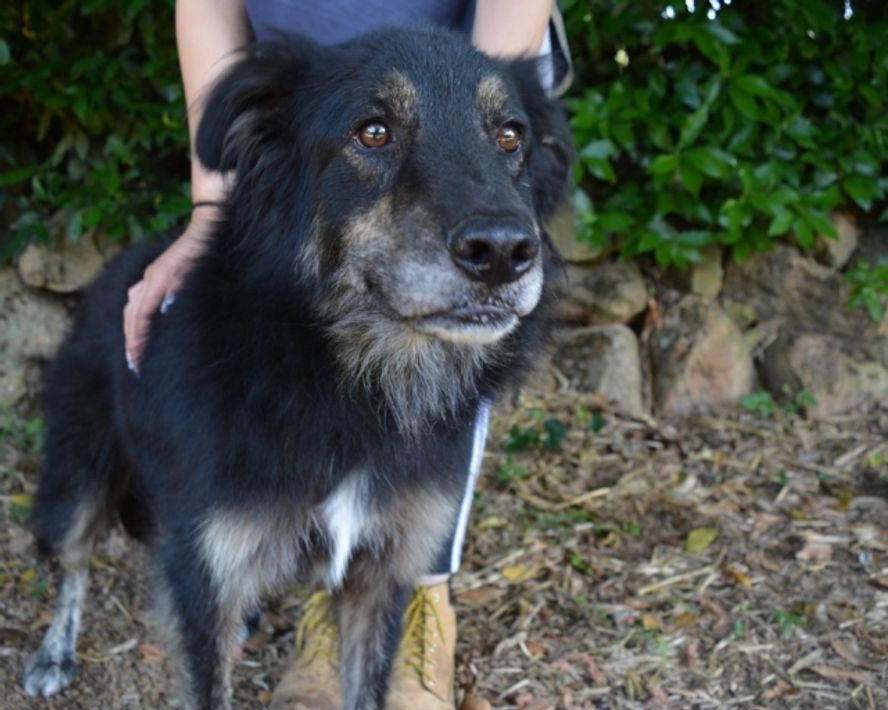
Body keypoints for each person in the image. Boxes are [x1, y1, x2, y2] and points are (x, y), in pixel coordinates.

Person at [124, 2, 570, 708]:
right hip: (309, 85)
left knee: (432, 401)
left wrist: (484, 102)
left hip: (464, 37)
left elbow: (488, 123)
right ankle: (324, 599)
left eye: (509, 137)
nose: (501, 245)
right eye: (377, 135)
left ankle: (419, 597)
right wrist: (211, 208)